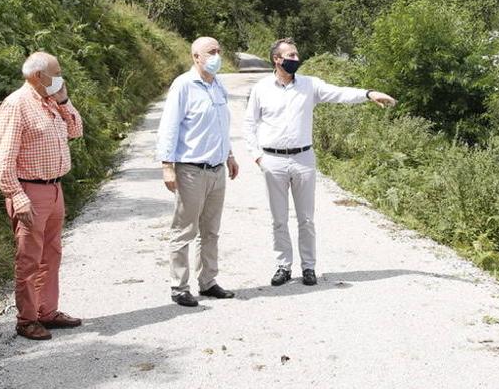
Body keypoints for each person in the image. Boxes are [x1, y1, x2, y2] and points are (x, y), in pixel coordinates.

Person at [245, 38, 395, 286]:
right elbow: (249, 124)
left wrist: (368, 94)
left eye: (296, 55)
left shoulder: (309, 85)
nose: (295, 59)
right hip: (273, 160)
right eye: (290, 55)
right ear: (277, 59)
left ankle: (308, 267)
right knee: (279, 218)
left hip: (303, 158)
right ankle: (283, 266)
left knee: (306, 218)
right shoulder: (262, 89)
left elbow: (340, 93)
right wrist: (258, 156)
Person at [0, 51, 85, 340]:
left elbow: (76, 131)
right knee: (29, 258)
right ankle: (27, 319)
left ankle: (48, 311)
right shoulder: (16, 105)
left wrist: (65, 100)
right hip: (30, 191)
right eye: (56, 73)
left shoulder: (51, 103)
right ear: (37, 76)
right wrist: (16, 196)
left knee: (52, 254)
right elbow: (3, 158)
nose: (60, 77)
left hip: (55, 189)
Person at [157, 37, 240, 307]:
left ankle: (208, 281)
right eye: (211, 52)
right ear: (196, 57)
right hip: (191, 170)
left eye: (219, 51)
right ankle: (179, 286)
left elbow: (221, 125)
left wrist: (229, 155)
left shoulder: (218, 85)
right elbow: (169, 127)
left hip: (216, 170)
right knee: (184, 230)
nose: (217, 55)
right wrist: (167, 166)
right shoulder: (183, 85)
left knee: (211, 230)